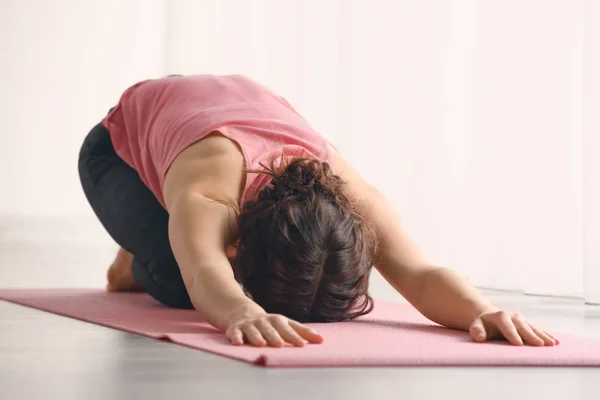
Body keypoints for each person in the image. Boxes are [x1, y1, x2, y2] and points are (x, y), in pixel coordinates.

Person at [78, 74, 558, 348]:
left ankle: (163, 237)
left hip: (198, 115)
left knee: (187, 248)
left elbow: (420, 270)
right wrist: (242, 310)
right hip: (117, 153)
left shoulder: (351, 197)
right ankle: (135, 260)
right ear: (236, 243)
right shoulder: (211, 192)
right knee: (182, 285)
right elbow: (208, 273)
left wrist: (485, 310)